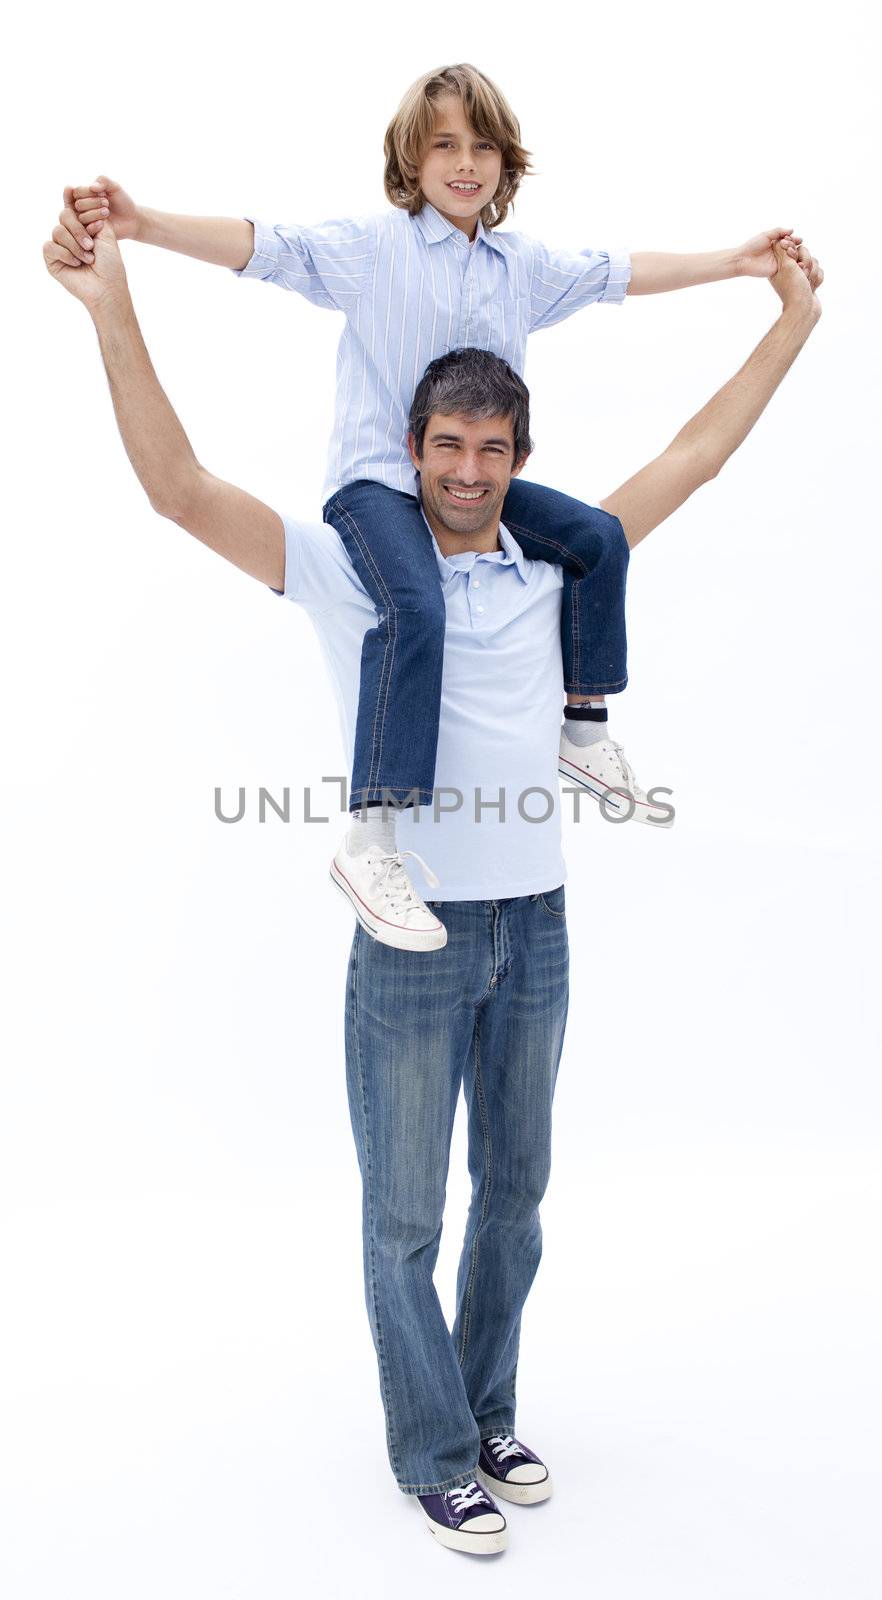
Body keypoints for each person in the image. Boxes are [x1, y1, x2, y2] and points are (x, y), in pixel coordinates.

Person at [42, 213, 822, 1554]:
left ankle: (488, 1408)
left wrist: (789, 325)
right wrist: (110, 299)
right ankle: (430, 1451)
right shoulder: (355, 572)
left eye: (491, 451)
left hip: (537, 930)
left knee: (512, 1198)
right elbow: (177, 488)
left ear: (520, 463)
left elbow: (689, 460)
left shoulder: (546, 564)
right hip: (408, 942)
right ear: (410, 455)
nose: (466, 471)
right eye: (446, 448)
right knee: (404, 1216)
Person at [52, 62, 816, 950]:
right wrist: (143, 227)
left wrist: (739, 261)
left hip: (470, 491)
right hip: (380, 489)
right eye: (444, 145)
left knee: (600, 536)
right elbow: (266, 246)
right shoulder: (373, 250)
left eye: (482, 147)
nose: (464, 163)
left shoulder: (521, 268)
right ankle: (372, 835)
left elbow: (624, 273)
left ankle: (584, 725)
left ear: (505, 164)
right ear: (411, 160)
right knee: (413, 603)